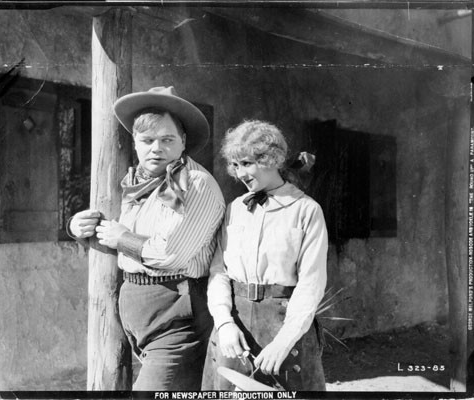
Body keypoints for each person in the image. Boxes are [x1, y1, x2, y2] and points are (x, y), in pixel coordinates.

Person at [67, 86, 225, 390]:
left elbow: (170, 255)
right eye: (147, 140)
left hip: (178, 312)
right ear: (135, 143)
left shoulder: (195, 184)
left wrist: (123, 237)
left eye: (167, 140)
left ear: (183, 142)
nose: (156, 148)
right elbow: (104, 227)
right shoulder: (134, 183)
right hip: (136, 311)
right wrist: (77, 226)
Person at [203, 120, 328, 391]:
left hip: (285, 325)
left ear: (272, 159)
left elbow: (311, 284)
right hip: (234, 325)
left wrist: (284, 341)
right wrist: (224, 323)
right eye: (235, 165)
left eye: (246, 163)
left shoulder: (306, 210)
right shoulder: (234, 209)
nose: (240, 174)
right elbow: (219, 272)